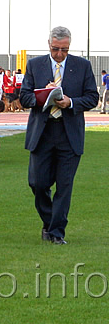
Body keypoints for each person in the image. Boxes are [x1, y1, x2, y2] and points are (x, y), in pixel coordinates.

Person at [19, 26, 98, 245]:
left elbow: (92, 98)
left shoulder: (82, 66)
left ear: (69, 46)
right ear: (49, 44)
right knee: (37, 183)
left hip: (68, 132)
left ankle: (56, 232)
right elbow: (24, 97)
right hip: (42, 133)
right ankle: (49, 220)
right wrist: (44, 95)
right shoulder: (35, 65)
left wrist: (70, 102)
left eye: (64, 49)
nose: (60, 54)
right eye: (56, 49)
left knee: (64, 186)